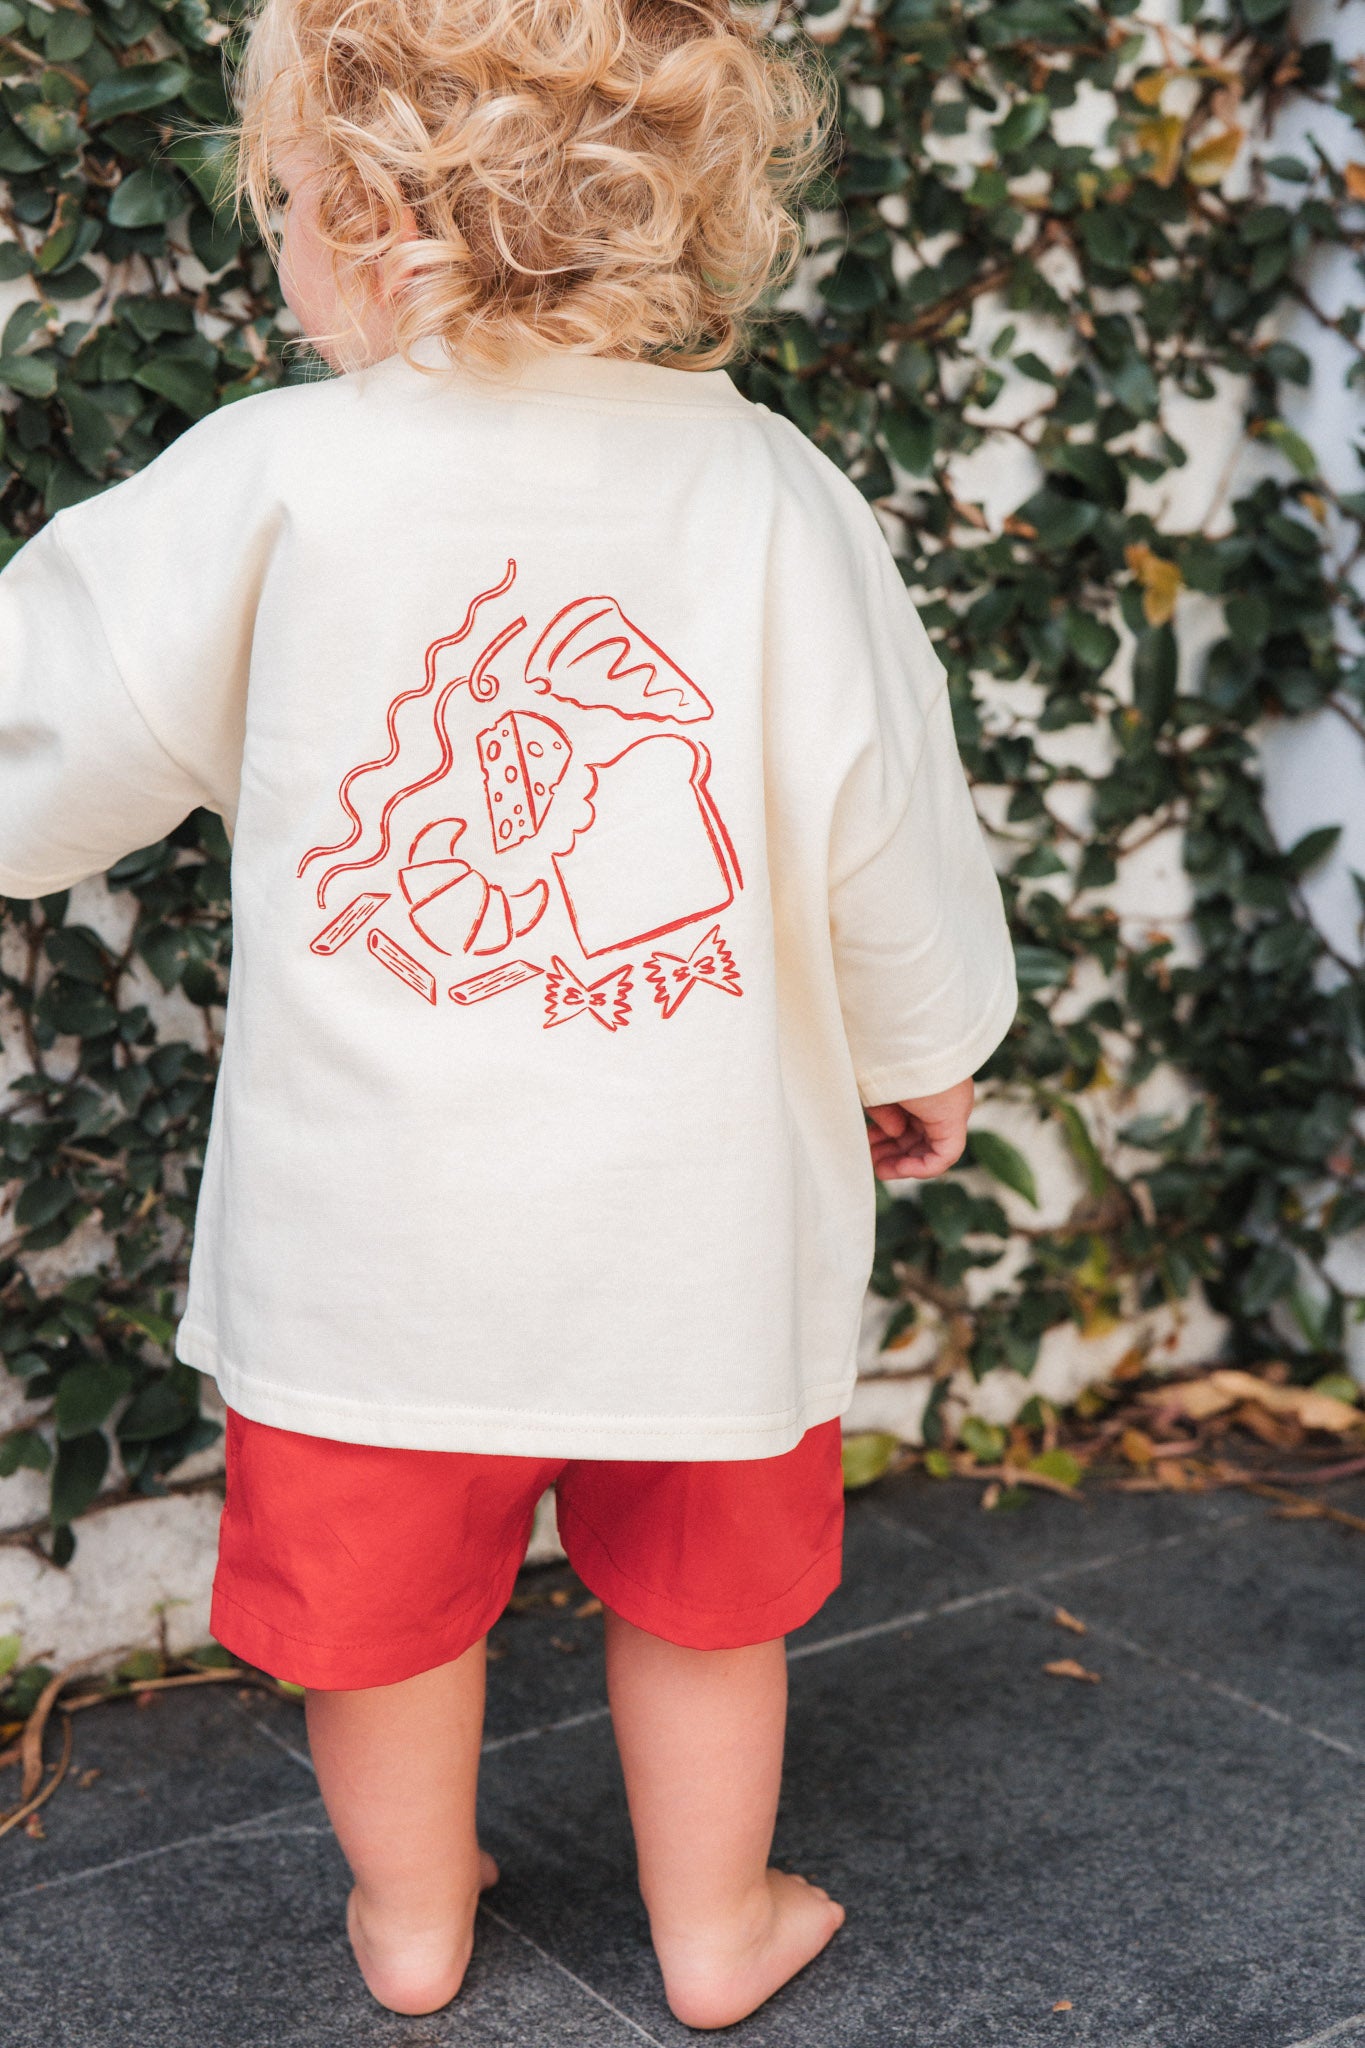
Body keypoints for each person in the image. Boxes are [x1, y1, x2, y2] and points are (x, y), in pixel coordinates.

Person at [0, 0, 1016, 2028]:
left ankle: (410, 1918)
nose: (275, 243)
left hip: (374, 1247)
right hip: (697, 1232)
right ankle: (711, 1926)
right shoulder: (772, 497)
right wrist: (922, 1053)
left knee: (377, 1623)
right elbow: (881, 820)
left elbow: (46, 725)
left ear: (370, 212)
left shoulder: (277, 479)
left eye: (281, 201)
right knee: (703, 1604)